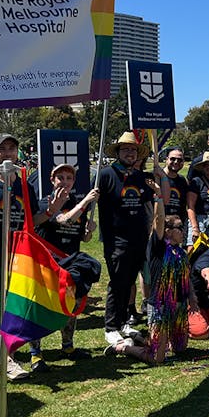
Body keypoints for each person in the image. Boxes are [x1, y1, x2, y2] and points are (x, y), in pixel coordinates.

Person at [0, 133, 59, 387]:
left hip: (19, 260)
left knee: (13, 312)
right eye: (2, 149)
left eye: (11, 148)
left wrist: (51, 210)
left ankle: (8, 360)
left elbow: (31, 220)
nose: (7, 153)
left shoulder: (25, 186)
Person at [107, 182, 191, 363]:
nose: (183, 231)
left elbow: (186, 280)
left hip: (178, 306)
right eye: (179, 228)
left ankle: (143, 338)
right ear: (167, 232)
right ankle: (125, 347)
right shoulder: (158, 246)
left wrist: (192, 300)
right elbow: (159, 219)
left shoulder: (181, 252)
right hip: (160, 305)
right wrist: (159, 196)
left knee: (180, 348)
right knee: (157, 358)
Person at [28, 164, 100, 372]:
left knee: (71, 305)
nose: (65, 181)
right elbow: (63, 219)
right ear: (52, 180)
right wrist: (87, 201)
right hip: (47, 263)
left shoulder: (77, 204)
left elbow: (81, 236)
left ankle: (67, 347)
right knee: (41, 307)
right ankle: (36, 355)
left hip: (71, 264)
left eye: (69, 178)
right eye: (61, 177)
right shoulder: (46, 203)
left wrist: (88, 232)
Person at [96, 132, 155, 348]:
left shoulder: (140, 176)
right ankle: (111, 327)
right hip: (116, 239)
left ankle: (123, 323)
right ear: (118, 152)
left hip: (138, 237)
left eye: (133, 150)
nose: (129, 153)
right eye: (125, 149)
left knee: (129, 282)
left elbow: (148, 205)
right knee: (117, 282)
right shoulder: (105, 174)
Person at [159, 147, 190, 225]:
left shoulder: (183, 181)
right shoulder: (156, 177)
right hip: (160, 222)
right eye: (173, 159)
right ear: (166, 159)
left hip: (178, 224)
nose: (176, 162)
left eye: (180, 160)